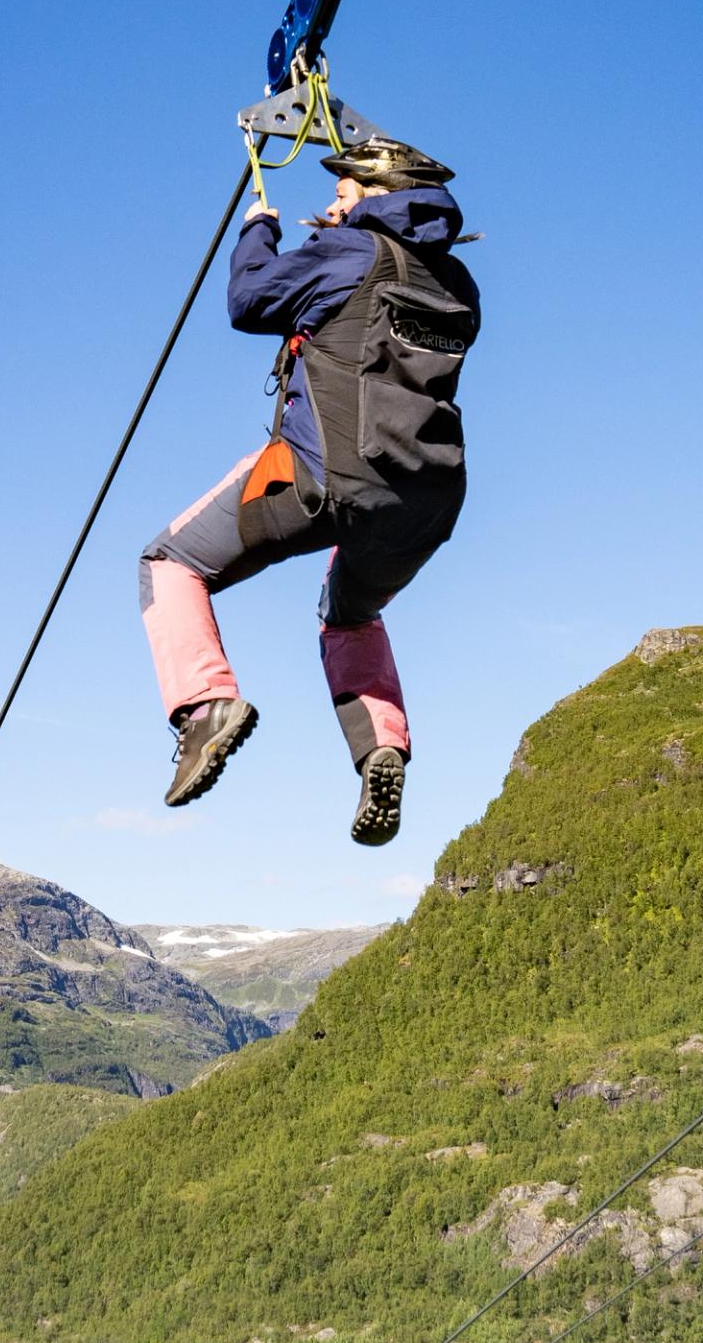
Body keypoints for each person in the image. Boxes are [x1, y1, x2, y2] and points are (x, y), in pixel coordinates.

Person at [138, 134, 479, 847]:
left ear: (380, 193)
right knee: (350, 616)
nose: (330, 204)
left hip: (324, 477)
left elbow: (249, 300)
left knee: (168, 563)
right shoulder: (458, 285)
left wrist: (258, 227)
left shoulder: (349, 254)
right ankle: (380, 746)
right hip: (425, 504)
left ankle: (205, 709)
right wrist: (349, 233)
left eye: (345, 193)